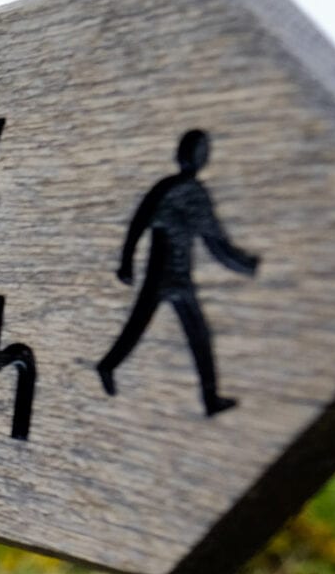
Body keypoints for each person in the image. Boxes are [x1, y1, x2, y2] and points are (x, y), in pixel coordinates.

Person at [97, 128, 260, 416]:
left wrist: (246, 265)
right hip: (160, 276)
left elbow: (216, 242)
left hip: (183, 279)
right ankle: (107, 366)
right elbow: (138, 224)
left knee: (199, 334)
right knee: (137, 327)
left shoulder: (197, 196)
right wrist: (126, 262)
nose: (199, 157)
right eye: (197, 152)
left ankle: (210, 398)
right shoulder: (169, 190)